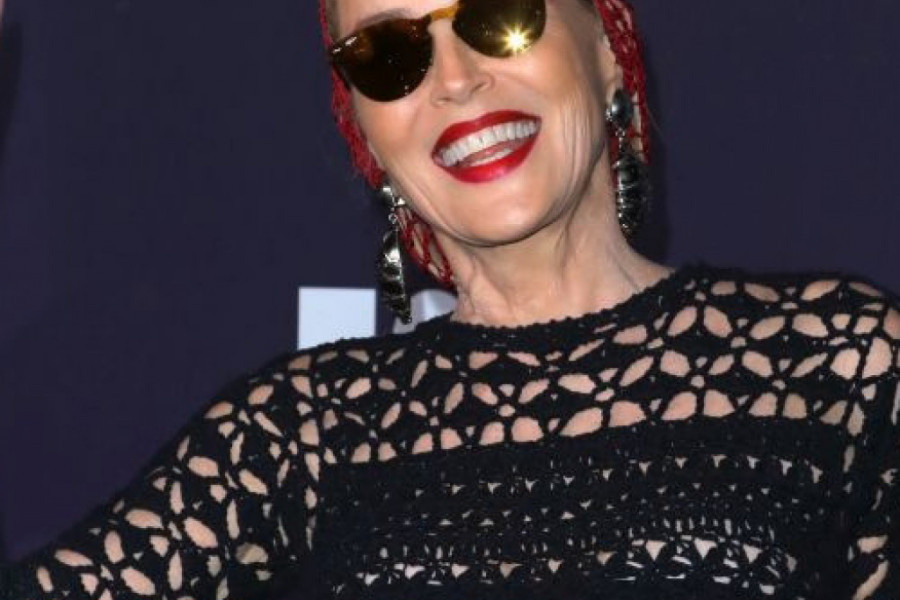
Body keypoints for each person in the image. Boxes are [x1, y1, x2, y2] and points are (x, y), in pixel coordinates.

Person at [2, 0, 900, 598]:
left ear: (607, 48)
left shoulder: (838, 363)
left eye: (500, 16)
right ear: (365, 133)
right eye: (387, 53)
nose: (456, 77)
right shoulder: (303, 431)